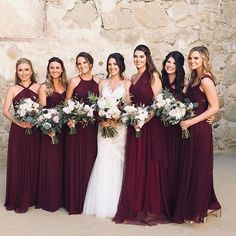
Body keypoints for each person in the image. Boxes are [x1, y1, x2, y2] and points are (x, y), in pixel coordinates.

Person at [114, 45, 170, 225]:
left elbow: (157, 103)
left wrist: (144, 119)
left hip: (150, 126)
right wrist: (130, 114)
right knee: (136, 162)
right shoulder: (133, 77)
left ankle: (151, 205)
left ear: (147, 58)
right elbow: (130, 101)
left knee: (149, 162)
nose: (138, 59)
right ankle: (135, 203)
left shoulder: (154, 76)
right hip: (135, 126)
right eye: (135, 56)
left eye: (141, 56)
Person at [173, 46, 221, 223]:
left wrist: (192, 122)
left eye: (196, 58)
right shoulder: (194, 78)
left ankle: (198, 210)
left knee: (199, 168)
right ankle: (210, 203)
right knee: (191, 167)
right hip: (189, 128)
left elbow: (214, 106)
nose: (192, 61)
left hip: (199, 130)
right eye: (190, 58)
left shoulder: (206, 80)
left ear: (204, 60)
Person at [83, 53, 131, 218]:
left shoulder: (127, 83)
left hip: (120, 129)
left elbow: (129, 108)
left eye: (115, 64)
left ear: (121, 66)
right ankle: (103, 203)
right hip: (103, 129)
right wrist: (101, 118)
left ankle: (119, 202)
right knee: (103, 159)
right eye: (110, 64)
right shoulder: (102, 83)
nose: (112, 67)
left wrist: (116, 118)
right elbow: (97, 106)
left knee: (119, 161)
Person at [63, 52, 100, 214]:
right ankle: (74, 200)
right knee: (75, 160)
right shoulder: (73, 81)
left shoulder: (99, 81)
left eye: (84, 62)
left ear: (90, 64)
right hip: (76, 128)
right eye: (79, 63)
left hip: (92, 127)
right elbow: (67, 103)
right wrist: (71, 117)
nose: (82, 66)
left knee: (90, 160)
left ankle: (89, 200)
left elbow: (102, 103)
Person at [3, 58, 41, 213]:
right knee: (18, 161)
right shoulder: (13, 89)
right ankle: (17, 197)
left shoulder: (39, 87)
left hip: (35, 130)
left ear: (31, 71)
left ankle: (32, 196)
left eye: (26, 69)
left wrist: (36, 120)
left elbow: (44, 107)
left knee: (33, 161)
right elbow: (5, 111)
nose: (24, 73)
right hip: (19, 131)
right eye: (20, 70)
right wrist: (18, 122)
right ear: (17, 72)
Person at [36, 57, 67, 212]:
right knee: (51, 164)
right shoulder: (44, 87)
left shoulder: (67, 85)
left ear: (62, 69)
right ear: (48, 70)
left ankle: (62, 197)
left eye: (57, 67)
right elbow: (43, 110)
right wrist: (49, 129)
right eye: (52, 67)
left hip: (65, 131)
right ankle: (49, 199)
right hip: (51, 130)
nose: (54, 70)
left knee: (63, 163)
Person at [161, 51, 186, 217]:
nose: (170, 65)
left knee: (175, 163)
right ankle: (162, 200)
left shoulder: (185, 83)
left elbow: (192, 103)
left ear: (179, 66)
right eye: (168, 62)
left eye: (174, 63)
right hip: (161, 128)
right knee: (163, 164)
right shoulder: (159, 80)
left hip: (176, 129)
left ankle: (175, 201)